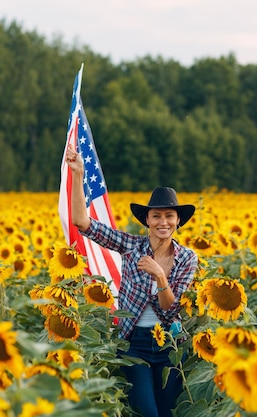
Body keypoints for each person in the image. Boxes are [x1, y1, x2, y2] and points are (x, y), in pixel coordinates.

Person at [65, 144, 198, 417]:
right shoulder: (130, 245)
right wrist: (78, 174)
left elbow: (172, 309)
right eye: (156, 216)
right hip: (133, 342)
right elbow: (82, 221)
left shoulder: (187, 258)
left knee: (168, 412)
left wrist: (159, 274)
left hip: (170, 346)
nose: (163, 222)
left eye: (169, 216)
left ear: (178, 221)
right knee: (147, 412)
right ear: (147, 220)